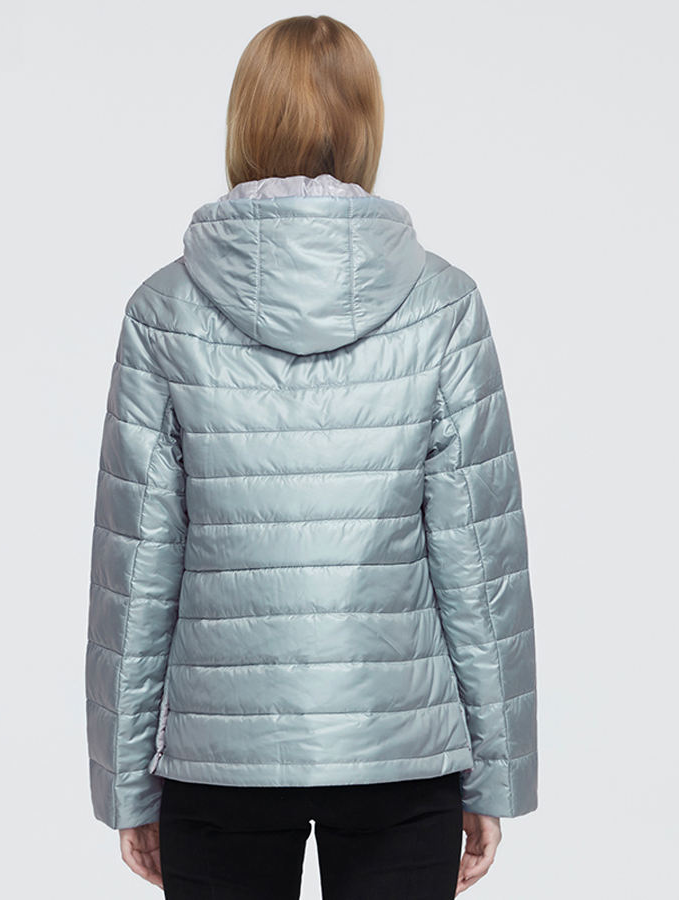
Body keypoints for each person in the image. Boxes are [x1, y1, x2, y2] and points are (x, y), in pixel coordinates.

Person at [84, 14, 538, 899]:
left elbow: (135, 571)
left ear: (244, 123)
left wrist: (127, 782)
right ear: (366, 126)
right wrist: (494, 773)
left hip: (219, 757)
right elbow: (478, 563)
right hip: (401, 749)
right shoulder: (442, 304)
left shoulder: (163, 309)